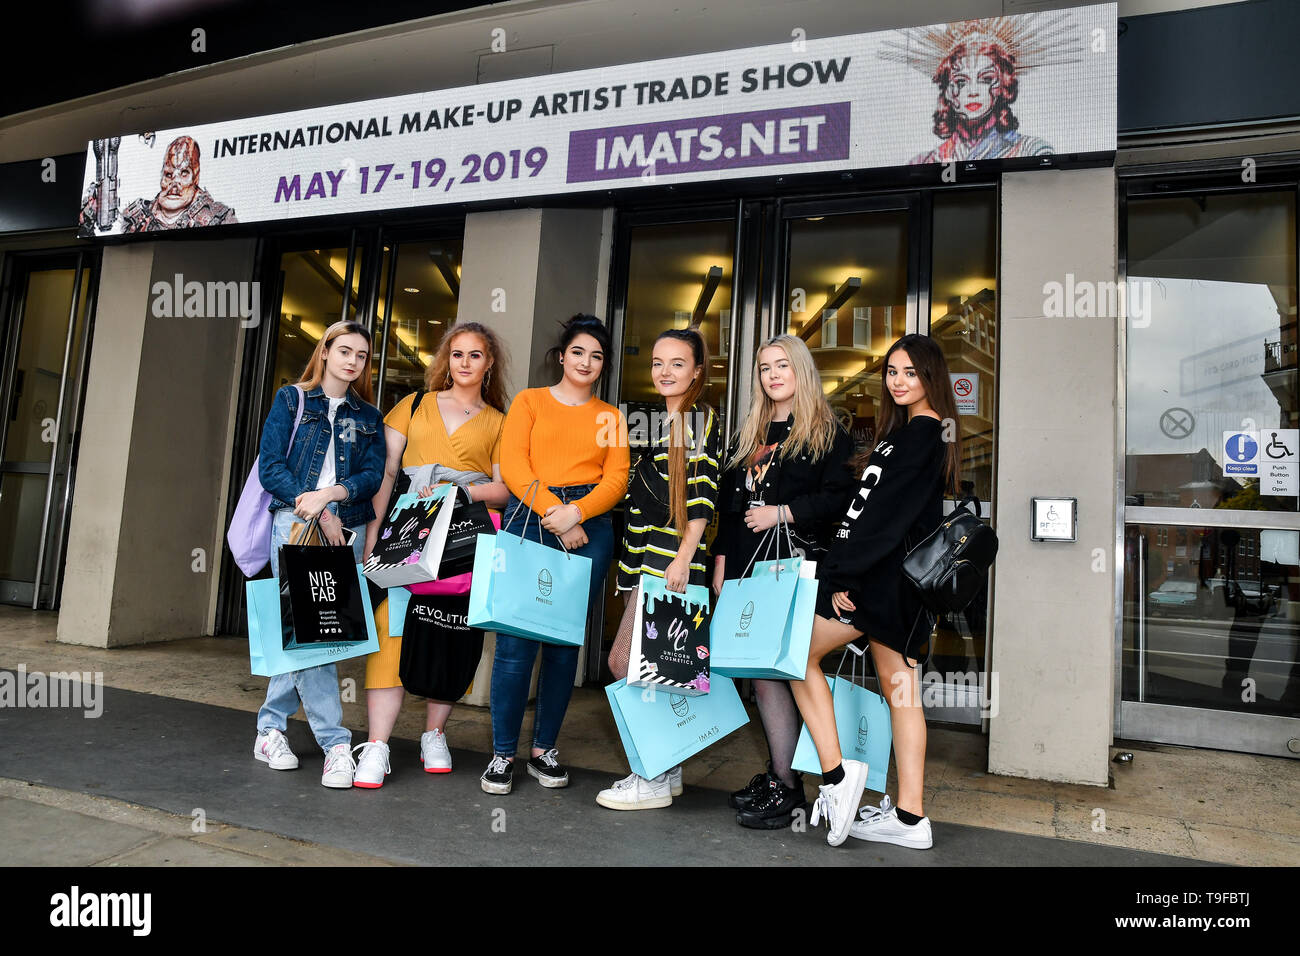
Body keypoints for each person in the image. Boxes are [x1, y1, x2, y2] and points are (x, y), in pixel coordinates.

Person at [789, 333, 961, 847]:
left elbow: (885, 521)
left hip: (884, 584)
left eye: (911, 372)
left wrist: (845, 577)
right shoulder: (906, 434)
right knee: (901, 692)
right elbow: (871, 512)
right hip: (890, 584)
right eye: (892, 371)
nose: (899, 381)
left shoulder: (922, 436)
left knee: (797, 657)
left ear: (931, 378)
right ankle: (910, 818)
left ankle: (840, 779)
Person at [352, 322, 511, 788]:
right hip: (407, 530)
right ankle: (378, 745)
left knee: (450, 631)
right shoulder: (413, 405)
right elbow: (385, 472)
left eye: (475, 355)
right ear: (446, 359)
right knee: (392, 628)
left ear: (489, 363)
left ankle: (434, 734)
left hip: (464, 536)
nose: (464, 363)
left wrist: (460, 488)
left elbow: (506, 489)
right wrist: (373, 532)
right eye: (457, 354)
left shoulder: (500, 421)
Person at [711, 334, 856, 829]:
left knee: (781, 669)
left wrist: (783, 512)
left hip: (794, 567)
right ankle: (781, 776)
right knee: (760, 669)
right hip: (748, 568)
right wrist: (721, 562)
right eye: (764, 367)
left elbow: (840, 500)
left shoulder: (827, 433)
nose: (773, 375)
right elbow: (729, 509)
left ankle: (790, 786)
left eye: (782, 365)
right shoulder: (750, 431)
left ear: (802, 371)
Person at [483, 314, 630, 795]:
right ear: (562, 356)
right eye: (579, 352)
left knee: (564, 644)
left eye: (597, 356)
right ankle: (503, 753)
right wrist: (557, 514)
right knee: (514, 642)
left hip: (592, 526)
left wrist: (579, 514)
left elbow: (616, 479)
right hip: (531, 516)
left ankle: (544, 750)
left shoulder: (610, 417)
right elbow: (515, 465)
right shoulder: (529, 402)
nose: (587, 362)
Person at [252, 321, 385, 788]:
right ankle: (335, 743)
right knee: (314, 636)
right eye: (344, 350)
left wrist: (333, 494)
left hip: (341, 528)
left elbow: (372, 475)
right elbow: (271, 466)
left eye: (362, 355)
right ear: (325, 351)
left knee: (313, 631)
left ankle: (270, 728)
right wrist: (312, 505)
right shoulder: (292, 399)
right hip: (294, 523)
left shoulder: (367, 415)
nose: (352, 360)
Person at [597, 326, 720, 811]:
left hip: (668, 565)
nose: (665, 372)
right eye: (657, 363)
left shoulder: (695, 423)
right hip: (643, 562)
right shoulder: (657, 425)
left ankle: (648, 775)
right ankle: (666, 770)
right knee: (658, 672)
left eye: (677, 363)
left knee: (624, 664)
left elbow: (702, 498)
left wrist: (684, 560)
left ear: (697, 371)